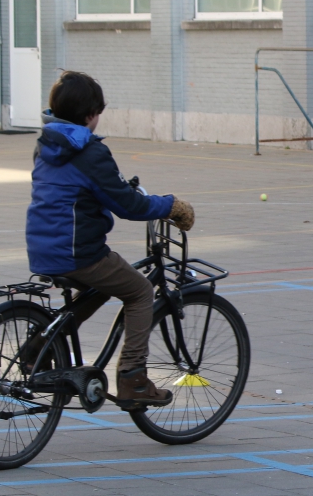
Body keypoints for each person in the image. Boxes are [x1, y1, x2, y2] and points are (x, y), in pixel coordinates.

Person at [24, 71, 195, 406]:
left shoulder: (46, 144)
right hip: (78, 252)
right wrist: (170, 205)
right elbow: (128, 205)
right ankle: (133, 378)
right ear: (90, 115)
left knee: (101, 285)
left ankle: (37, 350)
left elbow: (74, 191)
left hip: (42, 246)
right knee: (140, 290)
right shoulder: (89, 151)